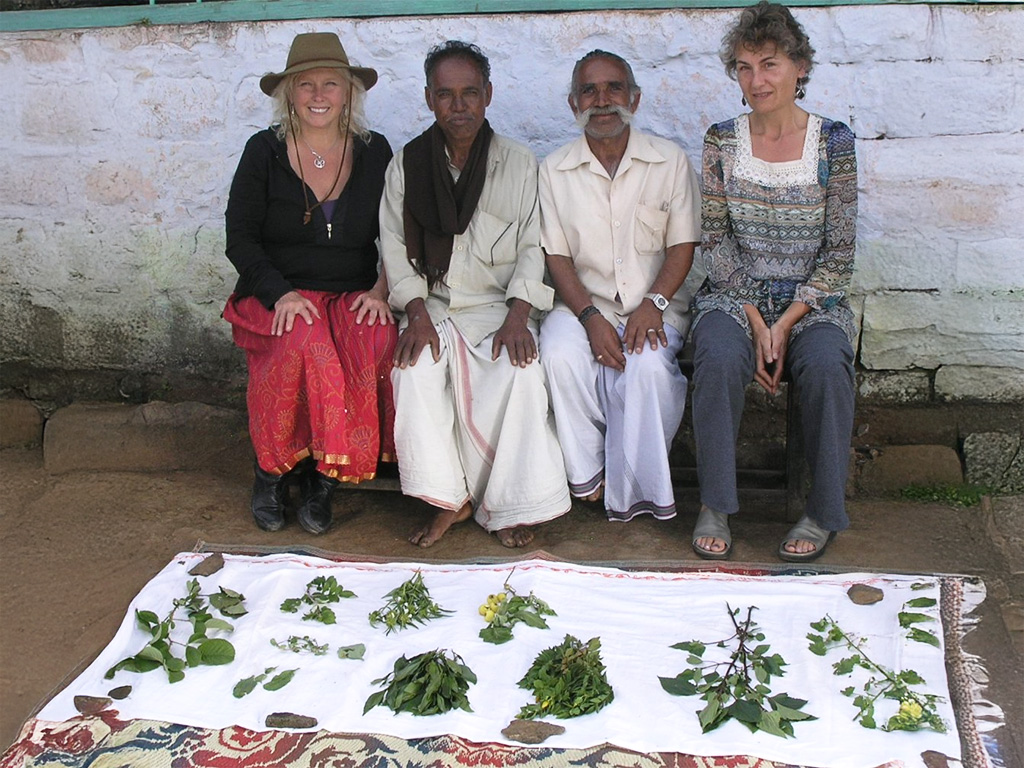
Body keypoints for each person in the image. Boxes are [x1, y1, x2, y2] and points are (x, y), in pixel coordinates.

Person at [380, 41, 571, 549]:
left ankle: (511, 504)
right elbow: (394, 247)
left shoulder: (519, 162)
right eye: (446, 94)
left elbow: (535, 244)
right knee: (414, 371)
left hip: (498, 309)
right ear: (428, 99)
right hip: (434, 308)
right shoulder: (408, 165)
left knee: (520, 371)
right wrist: (416, 312)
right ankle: (448, 499)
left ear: (488, 95)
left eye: (469, 93)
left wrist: (518, 316)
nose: (458, 105)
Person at [690, 0, 857, 561]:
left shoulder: (834, 143)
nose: (755, 80)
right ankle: (715, 502)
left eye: (769, 64)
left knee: (828, 364)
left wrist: (787, 322)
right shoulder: (721, 140)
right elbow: (716, 240)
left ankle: (822, 509)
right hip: (735, 293)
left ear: (800, 67)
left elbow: (838, 252)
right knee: (716, 354)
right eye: (743, 66)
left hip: (813, 301)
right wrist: (759, 322)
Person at [223, 33, 397, 535]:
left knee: (376, 337)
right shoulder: (263, 152)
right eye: (305, 84)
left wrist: (382, 290)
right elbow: (240, 237)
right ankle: (272, 472)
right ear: (288, 94)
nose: (318, 94)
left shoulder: (374, 151)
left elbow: (398, 229)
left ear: (348, 92)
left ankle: (327, 477)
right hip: (280, 293)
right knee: (304, 340)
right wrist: (280, 293)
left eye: (330, 84)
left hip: (352, 291)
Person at [538, 50, 701, 522]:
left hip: (656, 306)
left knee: (648, 368)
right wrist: (589, 318)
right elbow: (556, 255)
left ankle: (637, 490)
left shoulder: (668, 161)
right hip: (583, 305)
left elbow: (682, 244)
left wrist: (653, 304)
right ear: (574, 103)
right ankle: (589, 477)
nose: (602, 100)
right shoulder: (555, 169)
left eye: (614, 88)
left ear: (635, 97)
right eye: (589, 90)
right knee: (558, 352)